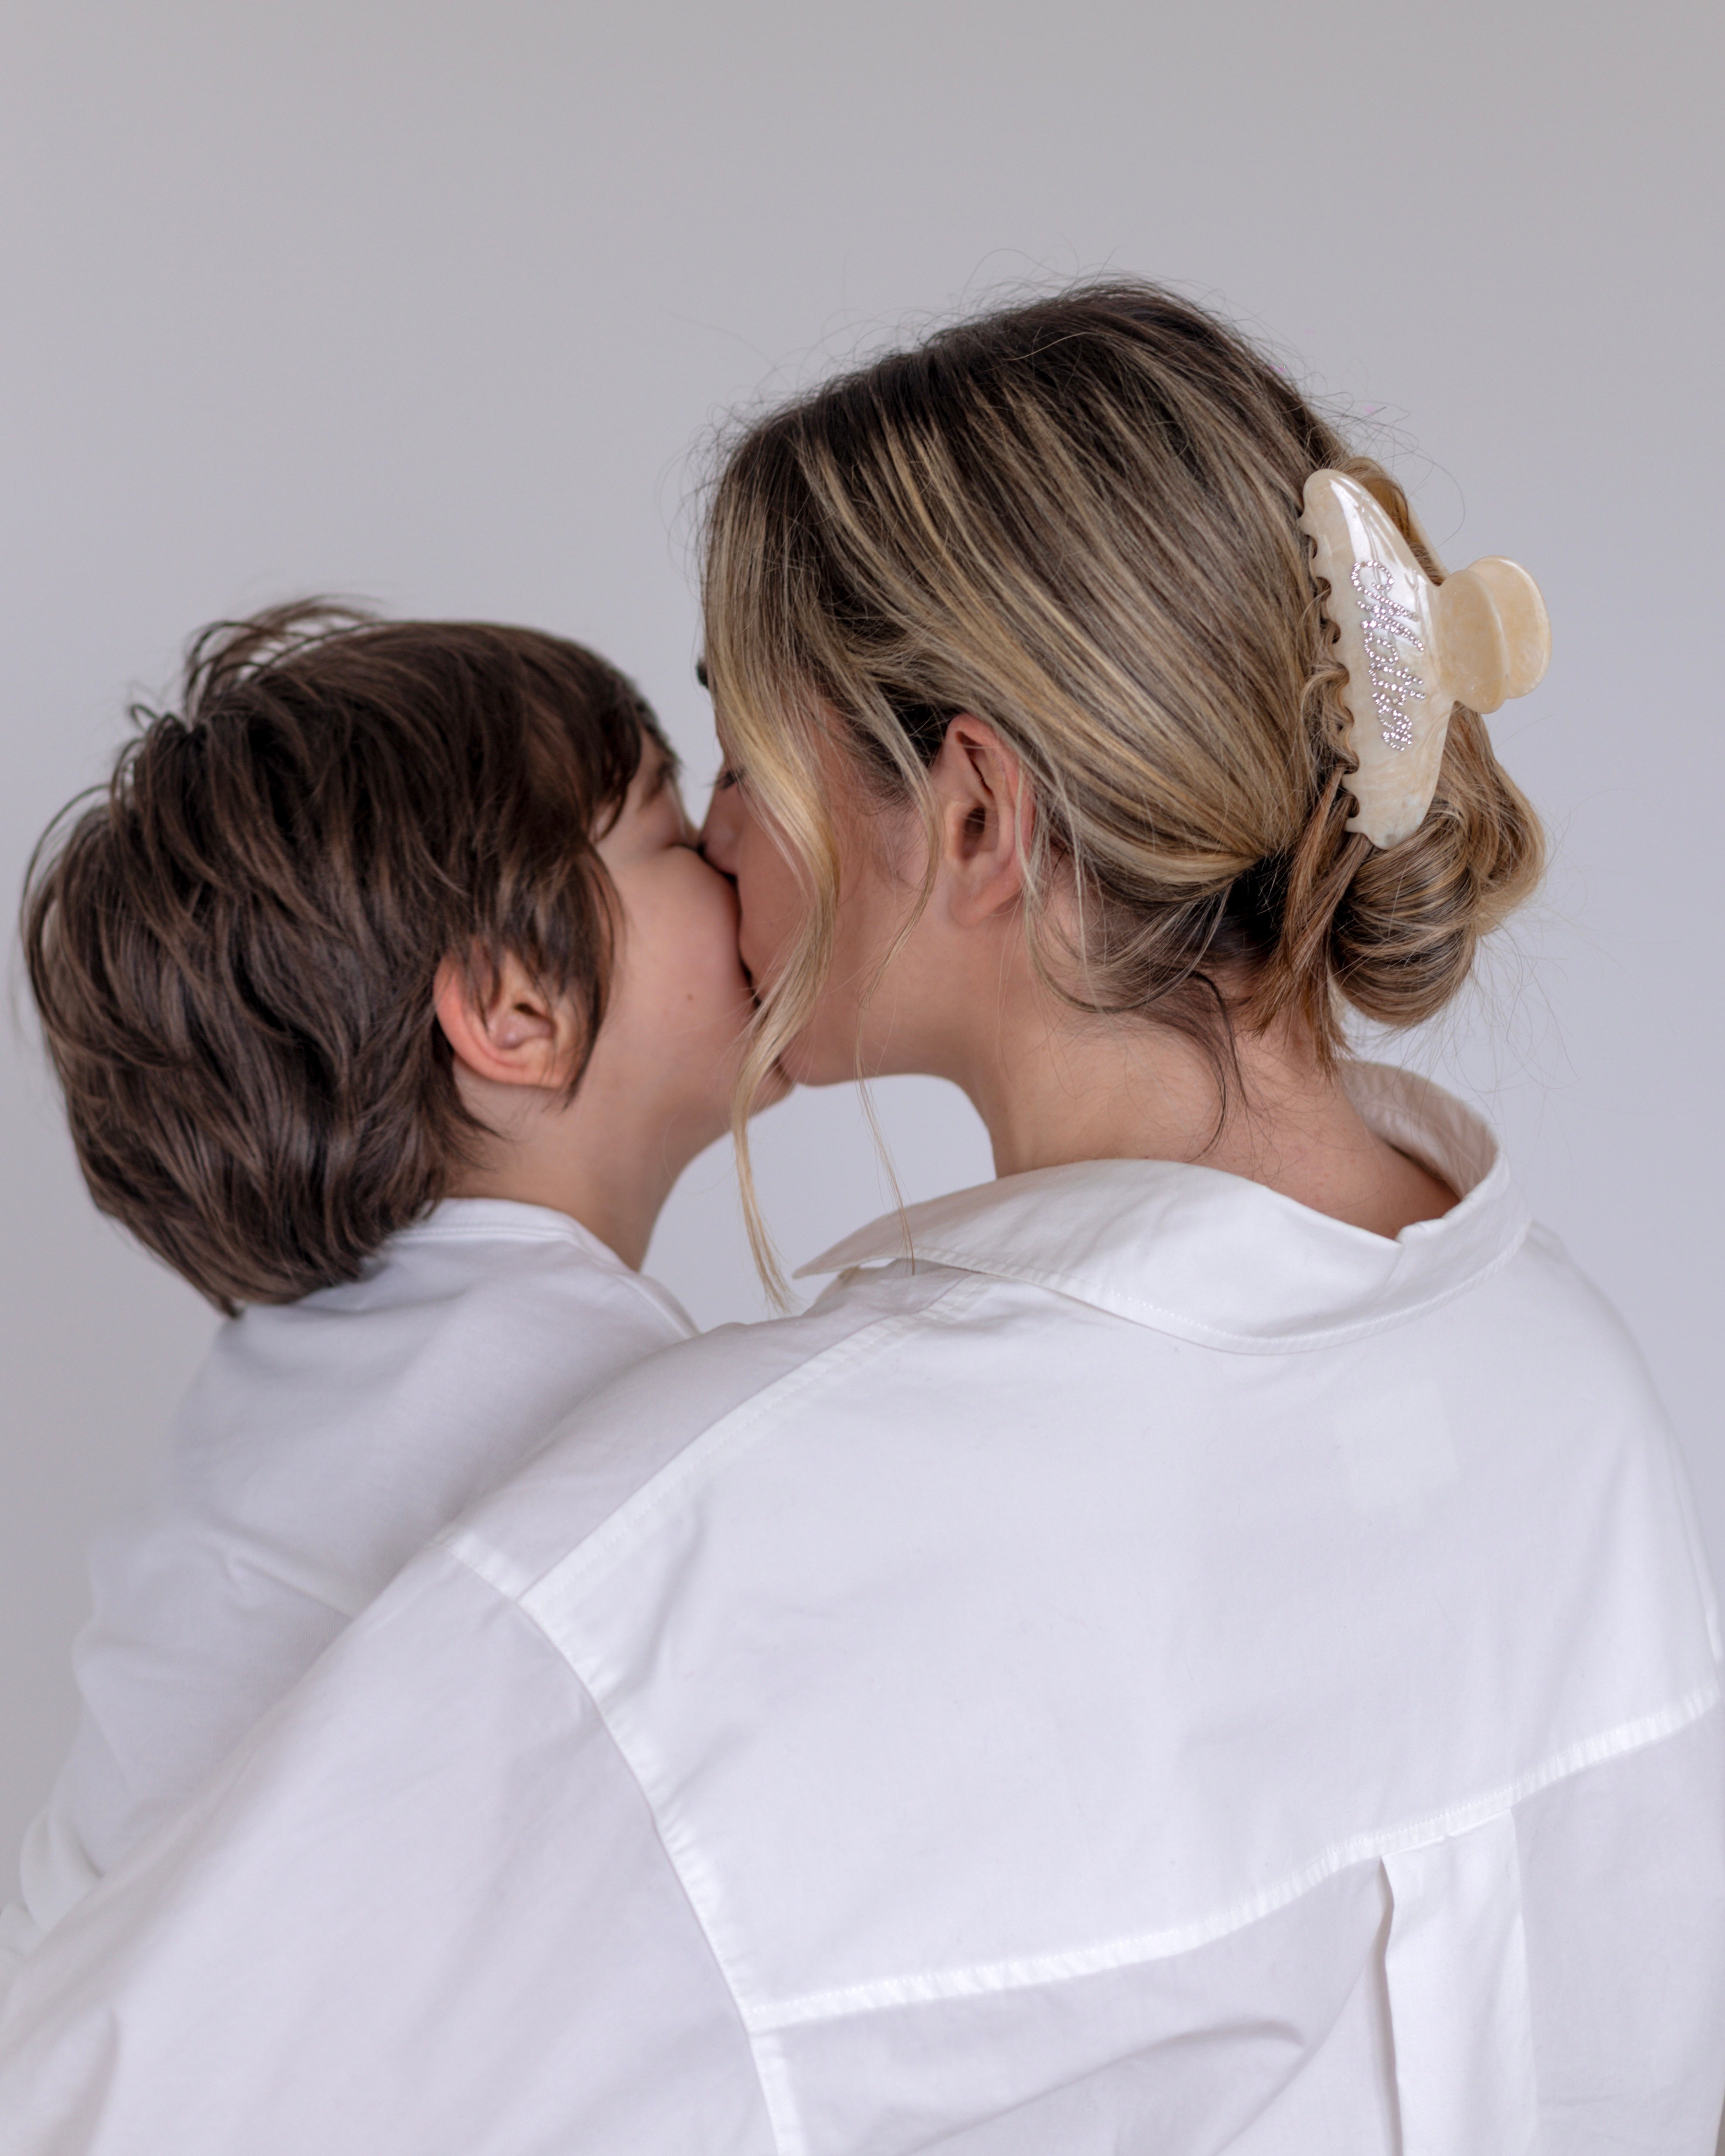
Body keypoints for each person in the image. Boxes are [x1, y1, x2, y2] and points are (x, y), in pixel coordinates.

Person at [3, 283, 1722, 2152]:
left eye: (734, 755)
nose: (726, 840)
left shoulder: (712, 1554)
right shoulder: (1570, 1381)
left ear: (974, 819)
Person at [0, 605, 761, 1972]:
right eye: (670, 836)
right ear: (516, 1009)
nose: (733, 856)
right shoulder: (587, 1389)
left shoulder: (283, 1376)